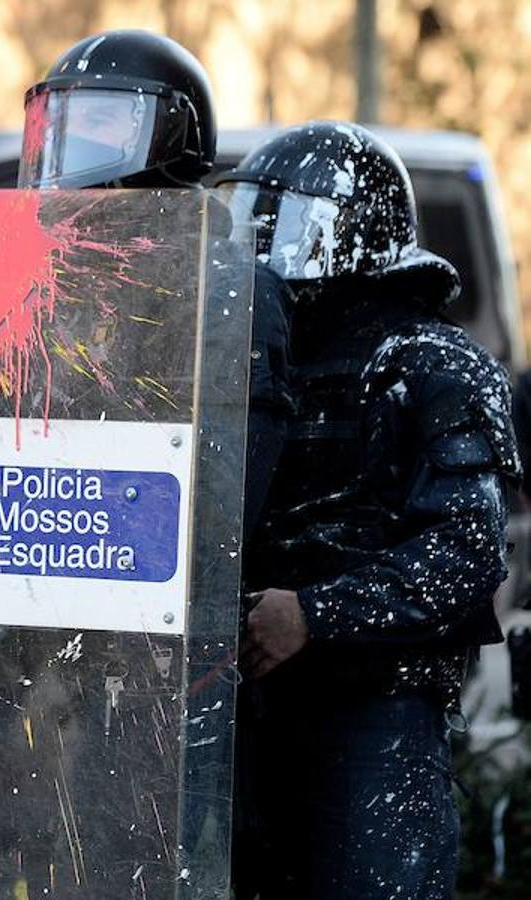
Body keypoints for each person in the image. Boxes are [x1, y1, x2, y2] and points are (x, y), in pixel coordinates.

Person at [217, 121, 520, 900]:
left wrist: (310, 615)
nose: (262, 243)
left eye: (284, 220)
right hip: (243, 717)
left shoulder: (437, 365)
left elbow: (465, 553)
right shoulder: (238, 361)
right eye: (254, 218)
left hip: (374, 727)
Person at [18, 29, 293, 534]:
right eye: (60, 120)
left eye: (97, 120)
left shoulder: (223, 286)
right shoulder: (48, 278)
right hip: (40, 544)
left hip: (148, 555)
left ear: (168, 131)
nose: (72, 138)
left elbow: (220, 496)